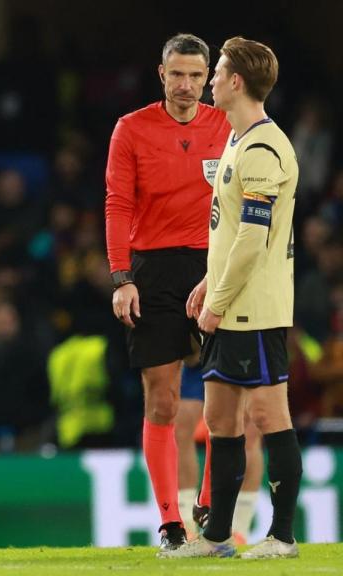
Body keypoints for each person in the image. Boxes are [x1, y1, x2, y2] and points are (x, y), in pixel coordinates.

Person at [163, 36, 300, 560]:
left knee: (270, 418)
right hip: (227, 299)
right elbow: (228, 231)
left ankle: (282, 536)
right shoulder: (240, 140)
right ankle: (217, 536)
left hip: (253, 308)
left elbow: (252, 238)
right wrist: (206, 283)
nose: (210, 82)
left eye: (216, 73)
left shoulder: (263, 147)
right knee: (220, 421)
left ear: (236, 82)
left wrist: (217, 300)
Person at [104, 33, 230, 552]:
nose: (186, 85)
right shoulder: (131, 129)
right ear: (161, 74)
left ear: (210, 78)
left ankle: (207, 507)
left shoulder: (229, 125)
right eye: (176, 74)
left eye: (196, 76)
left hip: (216, 265)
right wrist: (121, 277)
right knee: (164, 399)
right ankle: (170, 523)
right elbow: (118, 204)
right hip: (152, 270)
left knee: (226, 400)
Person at [176, 359, 264, 543]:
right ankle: (186, 524)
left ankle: (239, 529)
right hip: (199, 348)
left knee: (246, 429)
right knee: (180, 426)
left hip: (238, 339)